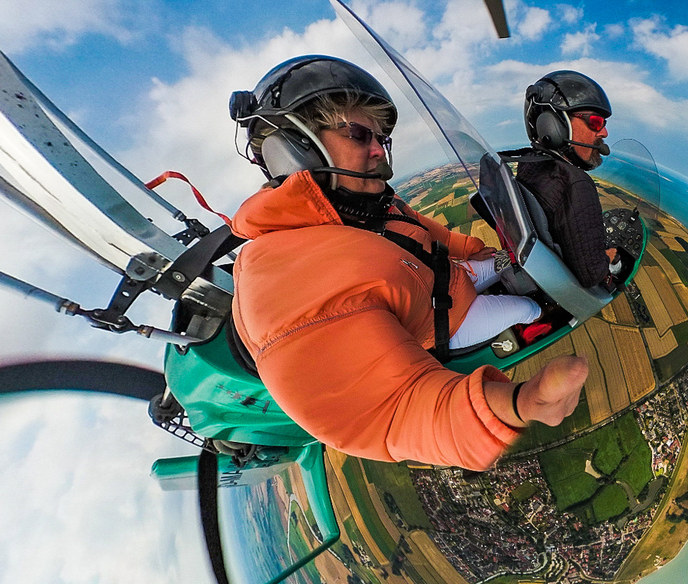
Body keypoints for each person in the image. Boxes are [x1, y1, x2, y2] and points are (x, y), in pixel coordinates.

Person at [225, 55, 588, 471]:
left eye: (382, 138)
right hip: (448, 321)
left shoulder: (369, 203)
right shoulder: (279, 281)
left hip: (449, 280)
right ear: (294, 150)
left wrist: (477, 252)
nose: (380, 150)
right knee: (537, 309)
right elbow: (394, 410)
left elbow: (431, 235)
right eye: (360, 135)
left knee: (518, 263)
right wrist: (522, 403)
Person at [516, 70, 620, 289]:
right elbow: (591, 274)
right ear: (553, 125)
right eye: (595, 122)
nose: (604, 133)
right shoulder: (576, 185)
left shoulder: (528, 162)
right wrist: (608, 257)